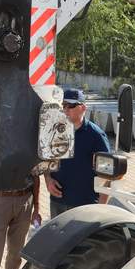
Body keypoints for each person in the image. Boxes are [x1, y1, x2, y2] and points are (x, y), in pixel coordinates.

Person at [45, 88, 111, 216]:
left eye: (71, 105)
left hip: (84, 206)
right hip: (57, 203)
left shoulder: (96, 135)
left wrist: (101, 210)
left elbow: (107, 175)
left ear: (83, 108)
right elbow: (47, 160)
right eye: (63, 105)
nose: (66, 109)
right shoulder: (56, 131)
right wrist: (48, 179)